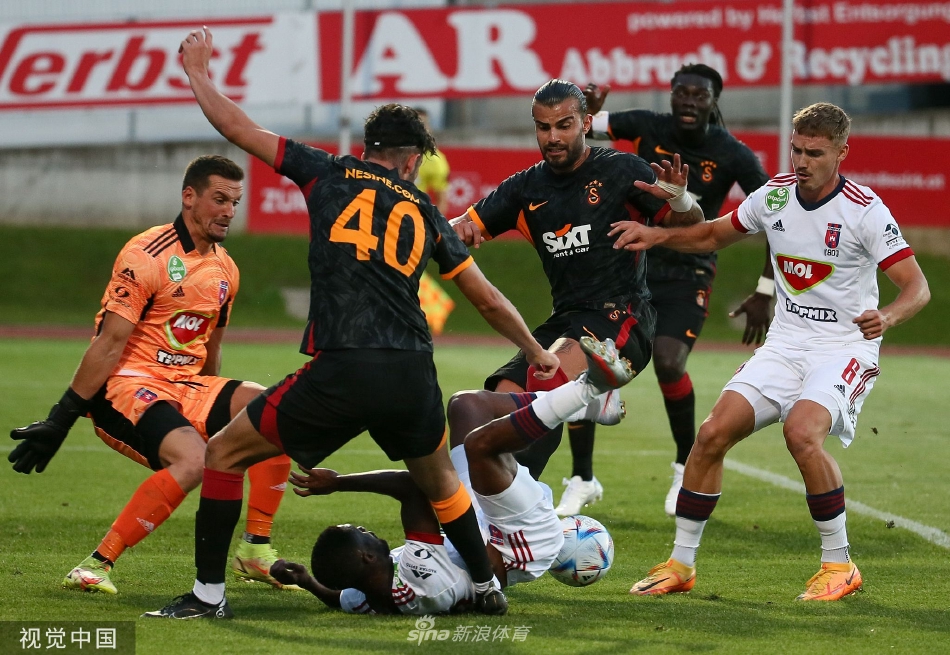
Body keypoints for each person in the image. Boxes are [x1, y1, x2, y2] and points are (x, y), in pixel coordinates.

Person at [145, 27, 560, 620]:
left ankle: (208, 596)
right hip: (411, 370)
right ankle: (486, 587)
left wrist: (198, 74)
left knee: (224, 454)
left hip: (344, 366)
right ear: (412, 160)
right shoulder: (426, 212)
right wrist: (534, 350)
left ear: (369, 149)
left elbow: (237, 128)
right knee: (441, 482)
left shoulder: (326, 172)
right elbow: (487, 299)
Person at [614, 103, 930, 600]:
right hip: (784, 344)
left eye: (815, 153)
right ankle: (680, 565)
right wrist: (658, 235)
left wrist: (887, 317)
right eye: (797, 150)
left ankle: (839, 565)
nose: (802, 161)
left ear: (842, 153)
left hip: (844, 347)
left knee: (801, 433)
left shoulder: (865, 210)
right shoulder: (775, 195)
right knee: (711, 434)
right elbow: (713, 233)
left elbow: (917, 287)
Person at [8, 155, 294, 594]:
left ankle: (254, 549)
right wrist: (61, 418)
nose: (229, 212)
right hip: (126, 384)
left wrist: (214, 411)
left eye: (235, 202)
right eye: (219, 199)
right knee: (194, 460)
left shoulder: (226, 269)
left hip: (185, 386)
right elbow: (109, 343)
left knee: (273, 413)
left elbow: (211, 349)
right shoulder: (146, 255)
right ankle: (96, 564)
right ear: (189, 197)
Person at [451, 79, 703, 490]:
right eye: (543, 127)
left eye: (563, 125)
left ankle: (522, 500)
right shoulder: (525, 187)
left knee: (545, 383)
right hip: (565, 321)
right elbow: (463, 225)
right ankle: (482, 501)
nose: (552, 137)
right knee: (501, 397)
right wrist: (446, 230)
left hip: (622, 318)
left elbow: (693, 226)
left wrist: (679, 198)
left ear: (586, 123)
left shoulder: (621, 170)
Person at [268, 336, 635, 614]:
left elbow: (341, 598)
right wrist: (340, 484)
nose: (367, 530)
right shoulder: (418, 575)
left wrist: (307, 581)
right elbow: (413, 487)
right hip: (519, 542)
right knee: (480, 446)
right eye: (359, 533)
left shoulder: (368, 589)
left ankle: (585, 407)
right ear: (366, 557)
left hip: (477, 520)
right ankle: (588, 388)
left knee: (466, 405)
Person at [566, 65, 773, 517]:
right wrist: (587, 113)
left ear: (714, 101)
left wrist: (766, 288)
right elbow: (580, 129)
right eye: (683, 92)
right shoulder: (647, 125)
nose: (690, 101)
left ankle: (684, 466)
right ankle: (581, 478)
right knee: (588, 361)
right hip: (629, 265)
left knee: (668, 360)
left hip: (688, 273)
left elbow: (780, 217)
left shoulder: (733, 153)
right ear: (672, 94)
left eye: (700, 95)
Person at [414, 107, 451, 215]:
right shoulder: (389, 153)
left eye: (424, 124)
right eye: (415, 124)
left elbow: (441, 201)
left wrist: (430, 224)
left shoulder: (435, 160)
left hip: (411, 217)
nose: (419, 129)